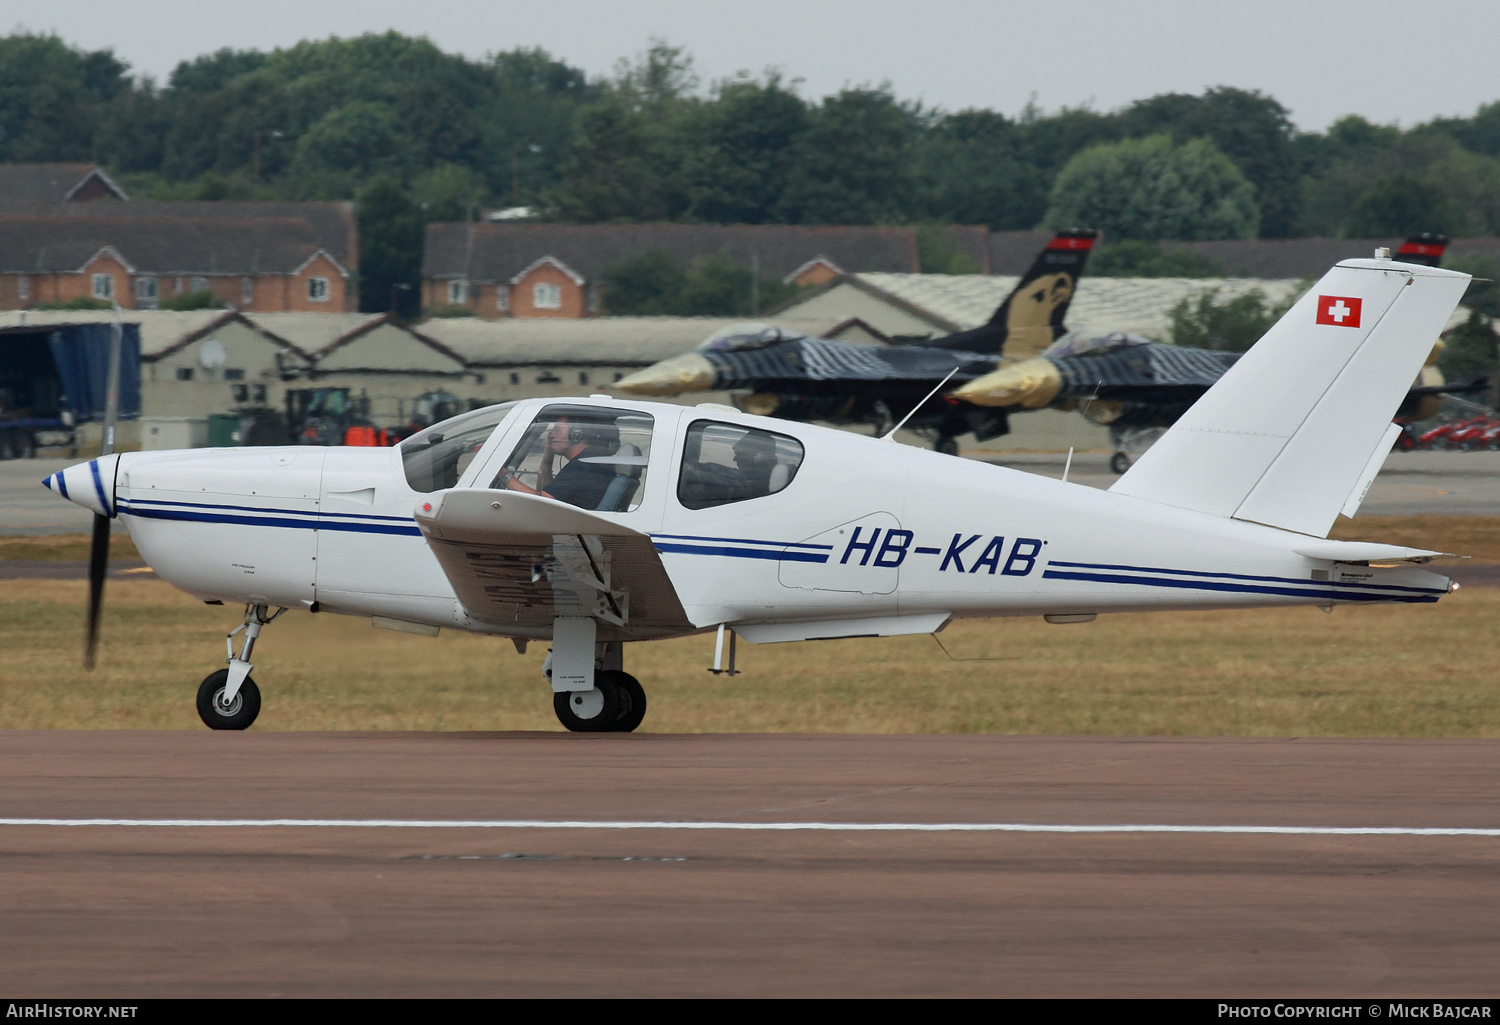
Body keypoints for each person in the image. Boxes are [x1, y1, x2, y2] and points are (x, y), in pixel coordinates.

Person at [500, 416, 620, 509]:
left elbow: (541, 502)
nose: (551, 435)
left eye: (557, 430)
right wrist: (548, 452)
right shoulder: (588, 462)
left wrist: (502, 474)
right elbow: (545, 490)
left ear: (576, 434)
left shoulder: (582, 467)